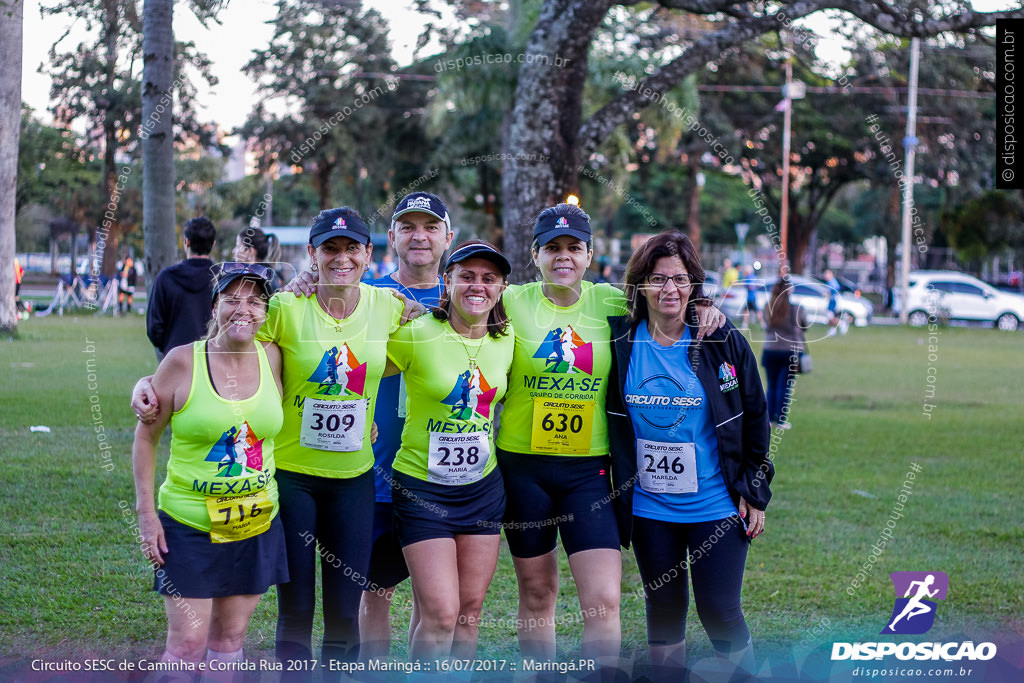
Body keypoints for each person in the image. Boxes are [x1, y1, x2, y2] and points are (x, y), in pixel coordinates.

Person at [134, 208, 409, 677]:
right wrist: (148, 384)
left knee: (344, 613)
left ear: (368, 254)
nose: (341, 257)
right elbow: (222, 351)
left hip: (355, 479)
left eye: (351, 248)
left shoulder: (390, 305)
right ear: (312, 253)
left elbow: (425, 353)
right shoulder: (282, 306)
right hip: (292, 479)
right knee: (295, 610)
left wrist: (363, 415)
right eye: (329, 248)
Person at [496, 205, 726, 676]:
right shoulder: (512, 300)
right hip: (523, 470)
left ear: (589, 255)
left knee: (602, 600)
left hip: (590, 473)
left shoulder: (608, 301)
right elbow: (452, 298)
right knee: (537, 593)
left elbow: (669, 296)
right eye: (553, 248)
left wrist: (704, 304)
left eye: (573, 248)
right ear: (535, 254)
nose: (564, 257)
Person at [280, 191, 455, 663]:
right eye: (408, 227)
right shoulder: (330, 299)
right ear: (392, 238)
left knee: (433, 600)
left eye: (431, 227)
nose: (420, 236)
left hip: (429, 476)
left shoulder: (457, 297)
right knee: (358, 595)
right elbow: (237, 344)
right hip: (351, 475)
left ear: (447, 237)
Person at [605, 231, 772, 683]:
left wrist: (756, 491)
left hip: (715, 504)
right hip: (649, 505)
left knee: (719, 610)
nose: (670, 290)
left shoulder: (721, 340)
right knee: (663, 606)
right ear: (641, 284)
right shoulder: (619, 340)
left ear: (694, 285)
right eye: (658, 279)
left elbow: (755, 416)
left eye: (680, 279)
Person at [131, 262, 287, 677]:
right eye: (232, 299)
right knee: (186, 645)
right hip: (188, 526)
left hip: (255, 523)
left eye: (255, 301)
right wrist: (147, 516)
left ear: (267, 312)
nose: (244, 309)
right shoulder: (183, 362)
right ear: (214, 305)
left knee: (229, 641)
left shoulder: (274, 356)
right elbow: (146, 437)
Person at [382, 240, 514, 663]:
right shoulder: (418, 334)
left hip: (481, 490)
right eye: (467, 276)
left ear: (501, 288)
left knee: (468, 615)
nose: (478, 286)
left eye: (488, 278)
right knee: (440, 614)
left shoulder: (509, 339)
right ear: (448, 281)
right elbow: (361, 367)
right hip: (423, 489)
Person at [147, 217, 218, 360]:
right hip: (212, 359)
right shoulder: (222, 278)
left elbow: (154, 328)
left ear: (187, 242)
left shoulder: (166, 278)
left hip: (174, 358)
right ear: (213, 244)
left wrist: (169, 346)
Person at [761, 277, 806, 430]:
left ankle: (768, 418)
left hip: (770, 349)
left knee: (771, 385)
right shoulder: (796, 309)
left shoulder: (768, 307)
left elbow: (766, 325)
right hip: (790, 351)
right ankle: (781, 420)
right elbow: (803, 325)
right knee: (784, 387)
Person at [233, 226, 283, 293]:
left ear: (250, 251)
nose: (233, 251)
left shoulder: (256, 279)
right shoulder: (268, 274)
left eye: (238, 246)